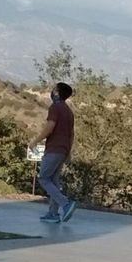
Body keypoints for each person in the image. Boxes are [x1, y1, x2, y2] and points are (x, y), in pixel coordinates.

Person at [31, 81, 76, 224]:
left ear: (57, 93)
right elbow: (71, 134)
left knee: (44, 178)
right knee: (54, 181)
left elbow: (50, 127)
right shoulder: (69, 111)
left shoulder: (55, 107)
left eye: (54, 89)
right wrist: (68, 153)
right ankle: (53, 213)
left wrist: (35, 141)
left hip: (54, 148)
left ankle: (66, 204)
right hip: (63, 150)